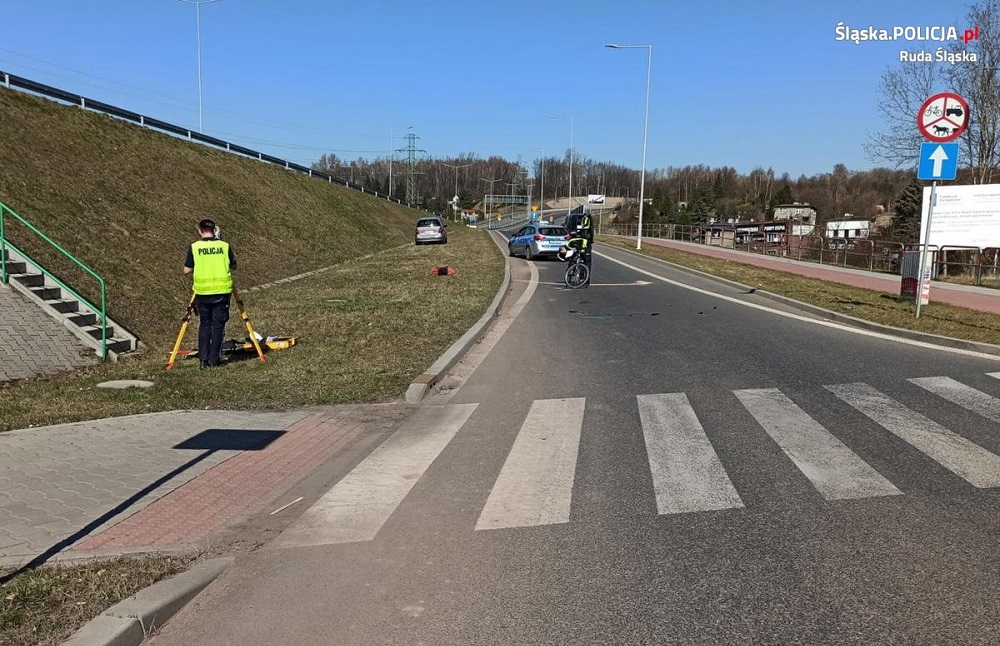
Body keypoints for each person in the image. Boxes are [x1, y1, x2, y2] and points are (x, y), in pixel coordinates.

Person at [183, 219, 236, 368]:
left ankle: (203, 360)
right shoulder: (224, 246)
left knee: (205, 325)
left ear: (200, 231)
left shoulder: (195, 247)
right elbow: (234, 265)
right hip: (221, 292)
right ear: (215, 230)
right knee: (218, 326)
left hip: (202, 293)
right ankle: (214, 360)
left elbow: (186, 270)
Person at [564, 209, 594, 284]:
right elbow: (591, 232)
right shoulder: (589, 219)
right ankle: (584, 278)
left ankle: (571, 272)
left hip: (579, 243)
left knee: (574, 258)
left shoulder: (577, 222)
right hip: (586, 243)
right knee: (586, 261)